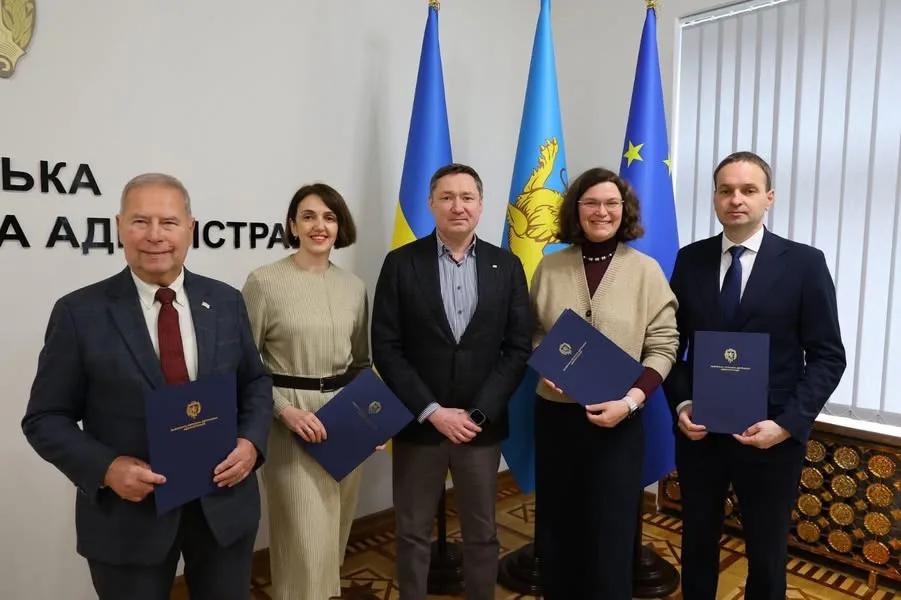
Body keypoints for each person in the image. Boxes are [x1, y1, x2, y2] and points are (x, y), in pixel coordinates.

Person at [21, 173, 273, 600]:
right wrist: (106, 468)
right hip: (129, 518)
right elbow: (45, 418)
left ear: (190, 228)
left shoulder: (226, 301)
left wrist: (250, 443)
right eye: (140, 221)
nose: (155, 235)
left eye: (169, 222)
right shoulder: (79, 312)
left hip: (223, 506)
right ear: (119, 226)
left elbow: (255, 382)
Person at [663, 151, 846, 600]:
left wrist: (786, 424)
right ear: (714, 198)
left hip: (771, 436)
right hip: (701, 434)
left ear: (769, 197)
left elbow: (828, 356)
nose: (736, 200)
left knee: (766, 552)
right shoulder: (690, 260)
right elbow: (671, 346)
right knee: (697, 541)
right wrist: (682, 403)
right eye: (726, 190)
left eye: (748, 190)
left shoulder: (805, 263)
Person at [371, 163, 531, 600]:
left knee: (482, 533)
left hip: (480, 428)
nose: (457, 206)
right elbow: (386, 347)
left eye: (466, 197)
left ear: (480, 205)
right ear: (431, 204)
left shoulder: (507, 265)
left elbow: (517, 348)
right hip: (418, 424)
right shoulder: (401, 263)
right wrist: (433, 412)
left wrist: (478, 413)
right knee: (411, 533)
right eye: (446, 197)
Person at [528, 167, 679, 599]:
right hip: (556, 418)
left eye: (612, 203)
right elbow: (534, 331)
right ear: (576, 209)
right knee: (557, 525)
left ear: (624, 210)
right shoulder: (550, 266)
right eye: (591, 202)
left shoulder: (646, 271)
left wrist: (631, 401)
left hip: (619, 421)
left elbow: (664, 345)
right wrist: (545, 364)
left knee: (611, 530)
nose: (602, 211)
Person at [240, 183, 371, 600]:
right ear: (293, 225)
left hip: (345, 420)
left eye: (329, 217)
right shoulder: (263, 282)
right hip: (291, 423)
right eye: (309, 216)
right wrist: (284, 411)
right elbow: (244, 365)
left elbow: (362, 363)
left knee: (334, 535)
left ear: (340, 226)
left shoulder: (354, 287)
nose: (320, 226)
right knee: (303, 542)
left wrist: (372, 422)